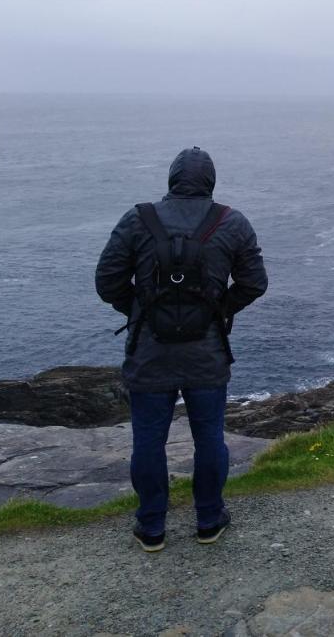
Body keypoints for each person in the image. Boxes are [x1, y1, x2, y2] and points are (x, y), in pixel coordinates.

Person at [96, 147, 268, 552]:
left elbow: (107, 281)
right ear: (210, 181)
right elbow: (254, 282)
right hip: (206, 354)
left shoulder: (138, 219)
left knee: (148, 441)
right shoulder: (232, 222)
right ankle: (209, 520)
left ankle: (151, 527)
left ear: (172, 179)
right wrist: (218, 309)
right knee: (210, 439)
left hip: (149, 354)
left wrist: (140, 311)